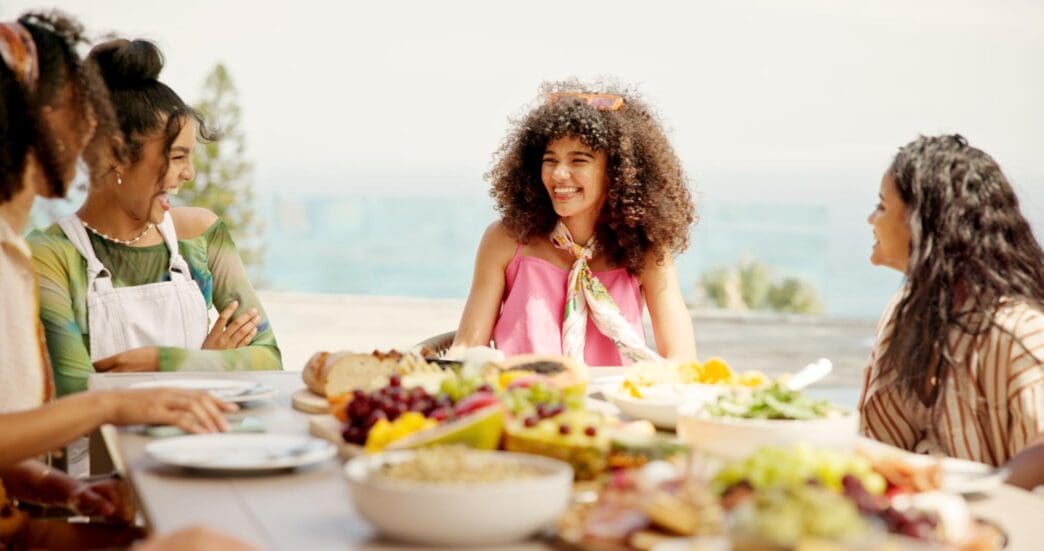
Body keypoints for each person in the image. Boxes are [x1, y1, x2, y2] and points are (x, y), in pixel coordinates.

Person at [0, 12, 243, 549]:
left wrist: (55, 486)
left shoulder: (12, 254)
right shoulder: (42, 256)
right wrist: (111, 402)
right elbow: (72, 389)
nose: (87, 130)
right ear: (22, 121)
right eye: (71, 112)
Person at [28, 38, 281, 396]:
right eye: (177, 158)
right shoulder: (52, 255)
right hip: (103, 453)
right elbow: (78, 391)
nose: (190, 174)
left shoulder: (201, 236)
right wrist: (207, 366)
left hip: (206, 443)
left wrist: (166, 362)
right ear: (116, 153)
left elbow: (268, 358)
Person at [453, 82, 697, 366]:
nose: (559, 174)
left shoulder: (646, 249)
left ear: (617, 173)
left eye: (579, 160)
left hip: (615, 406)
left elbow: (682, 359)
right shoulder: (506, 240)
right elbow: (467, 347)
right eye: (550, 160)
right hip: (523, 402)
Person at [858, 134, 1044, 466]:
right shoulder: (906, 312)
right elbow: (882, 447)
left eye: (882, 206)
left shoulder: (1020, 333)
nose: (872, 219)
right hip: (924, 512)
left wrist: (996, 490)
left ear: (922, 224)